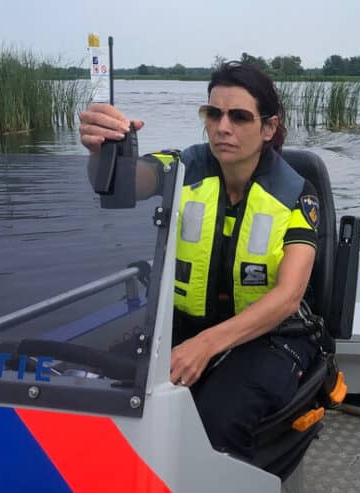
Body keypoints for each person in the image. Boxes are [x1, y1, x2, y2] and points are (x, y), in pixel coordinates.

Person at [78, 61, 322, 459]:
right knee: (102, 385)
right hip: (185, 324)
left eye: (239, 117)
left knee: (217, 419)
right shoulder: (183, 168)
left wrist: (204, 346)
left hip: (272, 338)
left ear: (268, 128)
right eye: (213, 114)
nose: (223, 127)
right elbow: (121, 187)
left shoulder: (298, 194)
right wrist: (101, 153)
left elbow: (289, 296)